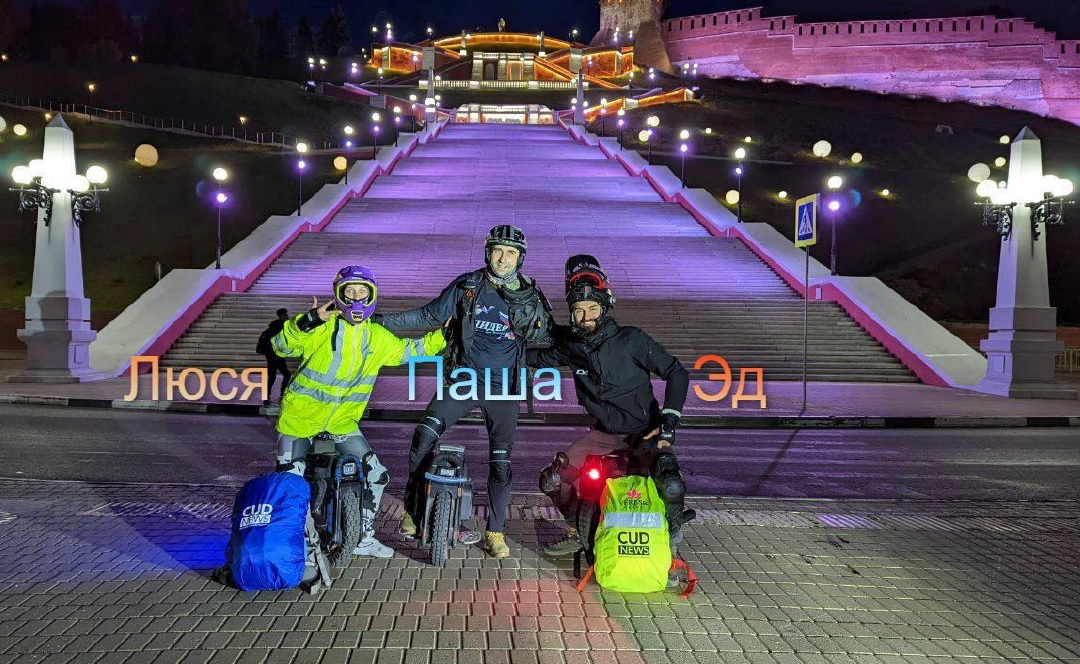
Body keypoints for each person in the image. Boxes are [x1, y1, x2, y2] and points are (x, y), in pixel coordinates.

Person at [376, 225, 553, 558]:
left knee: (501, 462)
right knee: (424, 434)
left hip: (503, 388)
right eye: (498, 251)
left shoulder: (530, 295)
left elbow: (547, 337)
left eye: (511, 253)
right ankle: (414, 510)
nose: (503, 259)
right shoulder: (467, 286)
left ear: (520, 258)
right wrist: (376, 320)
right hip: (465, 379)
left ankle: (495, 532)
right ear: (488, 253)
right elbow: (427, 315)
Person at [271, 265, 447, 558]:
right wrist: (307, 321)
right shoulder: (320, 327)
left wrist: (443, 336)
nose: (356, 298)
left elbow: (410, 350)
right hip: (298, 421)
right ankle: (294, 544)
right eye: (349, 291)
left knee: (376, 475)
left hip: (342, 423)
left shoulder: (376, 336)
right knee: (291, 483)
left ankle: (362, 538)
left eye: (362, 291)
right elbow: (281, 346)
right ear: (338, 295)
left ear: (371, 296)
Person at [528, 255, 693, 557]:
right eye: (579, 310)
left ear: (604, 307)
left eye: (592, 308)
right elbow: (534, 358)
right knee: (552, 479)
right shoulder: (572, 347)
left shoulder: (631, 339)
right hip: (603, 434)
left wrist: (669, 422)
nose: (586, 316)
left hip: (645, 433)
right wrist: (489, 349)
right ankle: (580, 529)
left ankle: (667, 547)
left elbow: (676, 372)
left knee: (670, 484)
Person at [257, 308, 292, 406]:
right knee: (286, 375)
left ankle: (266, 398)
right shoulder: (281, 328)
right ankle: (282, 395)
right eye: (286, 315)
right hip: (278, 356)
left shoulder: (269, 330)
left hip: (271, 357)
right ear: (282, 316)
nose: (287, 317)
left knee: (272, 377)